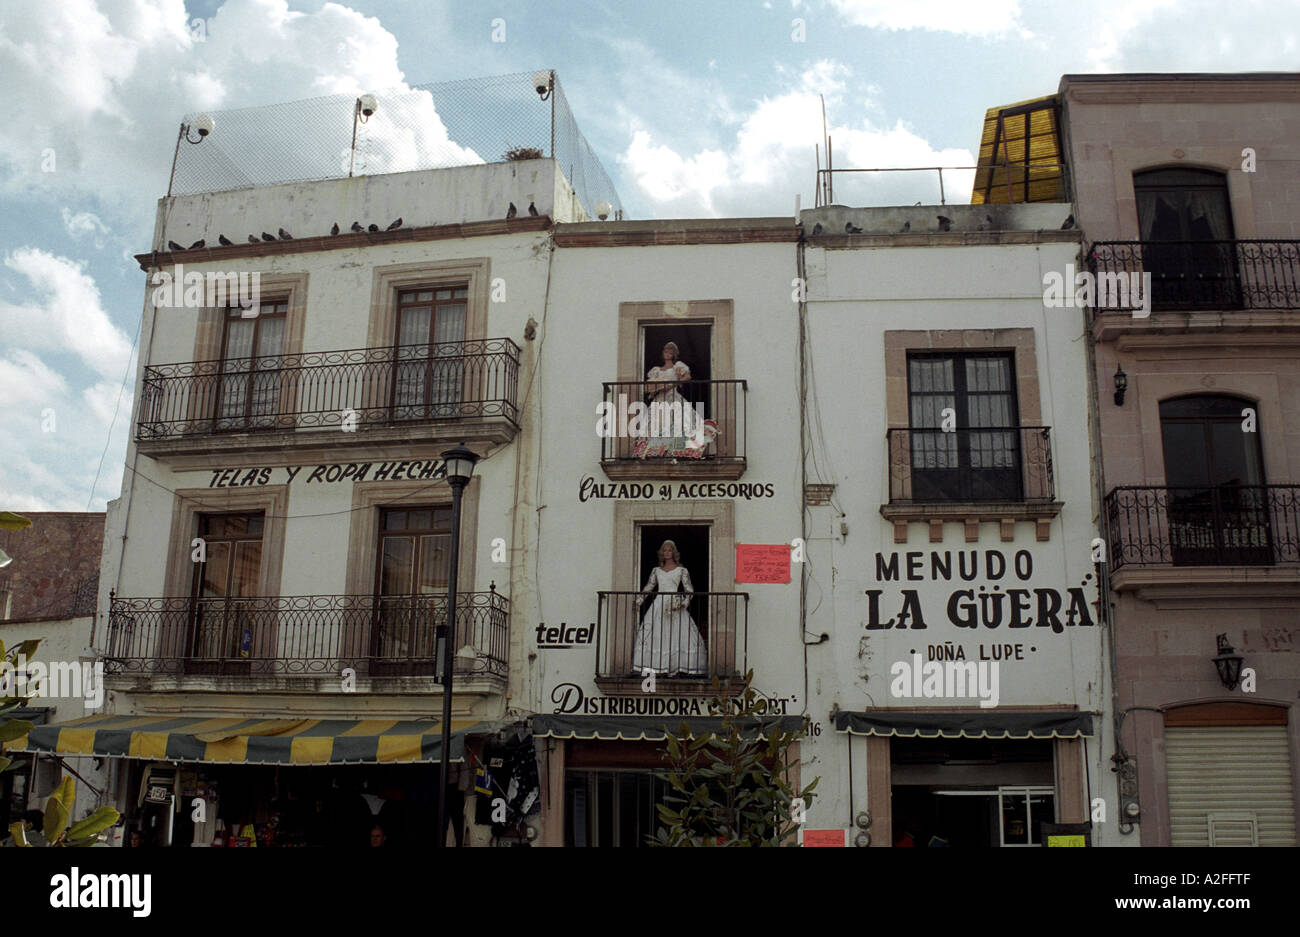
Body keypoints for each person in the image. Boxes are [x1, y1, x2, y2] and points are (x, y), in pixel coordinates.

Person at [632, 540, 707, 676]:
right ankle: (658, 667)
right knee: (657, 635)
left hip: (675, 605)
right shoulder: (656, 570)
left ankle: (676, 667)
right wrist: (639, 601)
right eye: (664, 550)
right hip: (659, 604)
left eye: (670, 550)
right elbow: (649, 586)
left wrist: (683, 603)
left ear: (674, 552)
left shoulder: (682, 570)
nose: (667, 552)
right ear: (662, 553)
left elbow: (689, 590)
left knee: (677, 635)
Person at [643, 342, 700, 452]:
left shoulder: (677, 367)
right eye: (666, 351)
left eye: (670, 352)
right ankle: (657, 449)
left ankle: (677, 449)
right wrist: (656, 389)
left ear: (674, 355)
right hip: (659, 399)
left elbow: (687, 377)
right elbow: (650, 387)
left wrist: (672, 384)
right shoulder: (656, 370)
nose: (667, 354)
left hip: (672, 397)